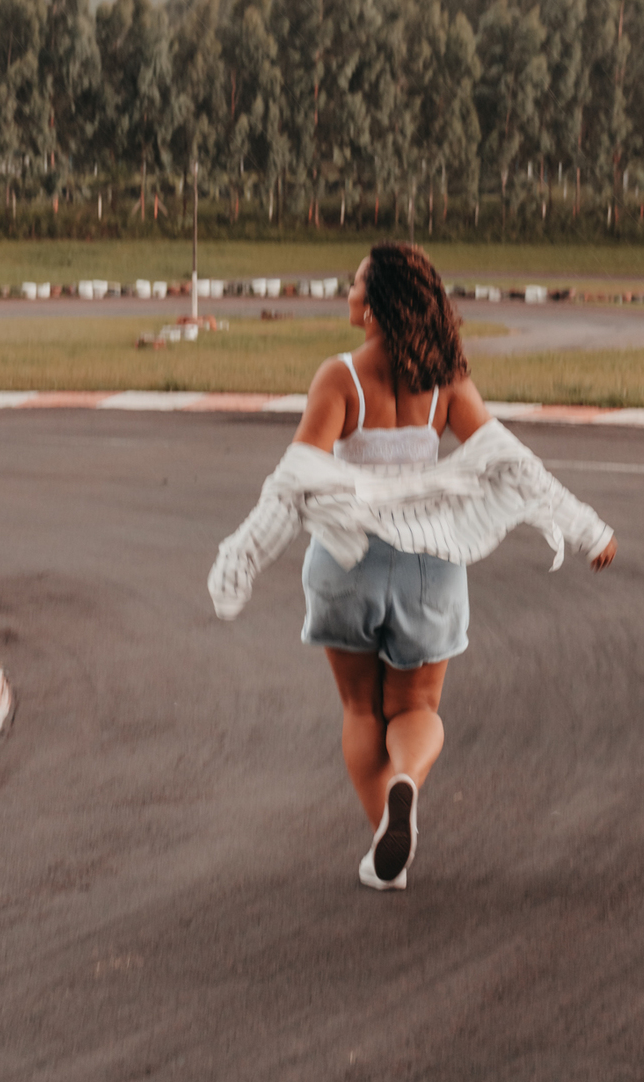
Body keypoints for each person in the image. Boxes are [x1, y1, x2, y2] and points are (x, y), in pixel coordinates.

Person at [207, 242, 616, 892]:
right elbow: (511, 462)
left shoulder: (338, 378)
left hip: (346, 563)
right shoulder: (447, 382)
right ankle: (406, 783)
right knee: (417, 704)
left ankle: (386, 849)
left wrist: (243, 557)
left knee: (361, 712)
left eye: (355, 285)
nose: (348, 294)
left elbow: (294, 480)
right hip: (431, 563)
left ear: (375, 305)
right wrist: (587, 528)